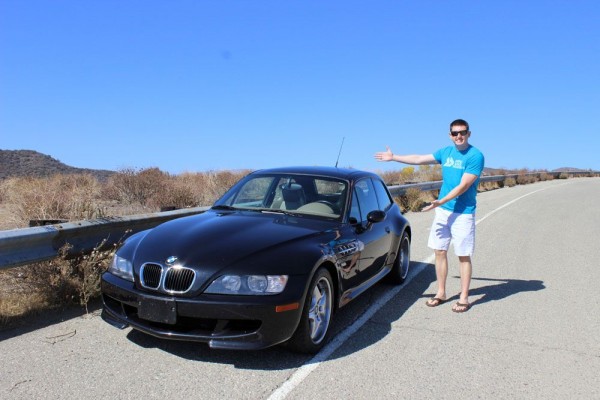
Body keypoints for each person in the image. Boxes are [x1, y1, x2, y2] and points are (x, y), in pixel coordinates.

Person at [374, 119, 484, 313]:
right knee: (439, 251)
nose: (459, 136)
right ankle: (441, 293)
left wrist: (440, 201)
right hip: (443, 212)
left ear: (469, 133)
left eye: (462, 132)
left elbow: (464, 185)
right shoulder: (445, 152)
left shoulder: (475, 156)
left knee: (463, 255)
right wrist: (394, 157)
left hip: (463, 213)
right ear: (450, 135)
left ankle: (464, 297)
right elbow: (418, 159)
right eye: (455, 133)